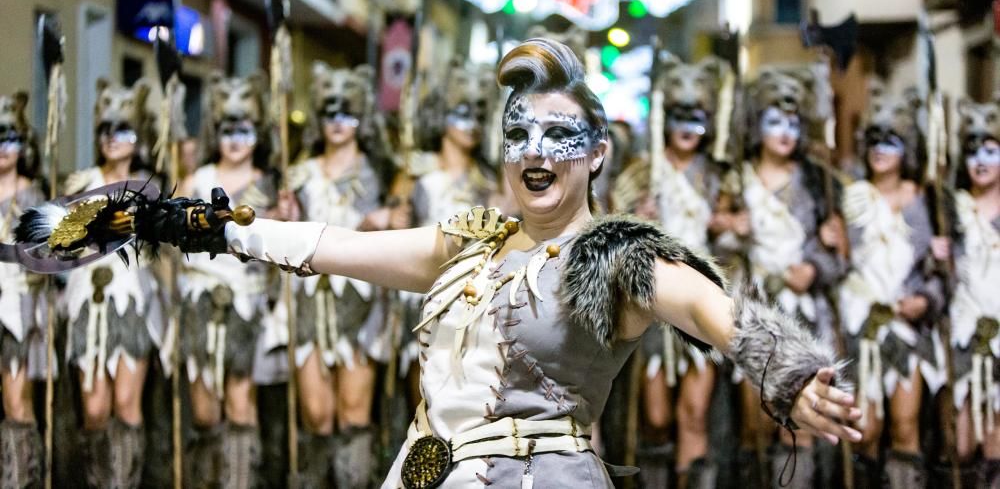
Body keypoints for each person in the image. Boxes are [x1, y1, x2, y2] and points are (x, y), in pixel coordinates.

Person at [149, 39, 861, 488]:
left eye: (560, 135)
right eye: (518, 132)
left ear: (597, 153)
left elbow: (706, 305)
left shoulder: (615, 255)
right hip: (426, 470)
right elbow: (334, 245)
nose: (535, 151)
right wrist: (217, 229)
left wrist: (784, 368)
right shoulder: (469, 240)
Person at [611, 54, 733, 488]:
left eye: (695, 116)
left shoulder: (721, 178)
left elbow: (744, 245)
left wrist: (731, 228)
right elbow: (607, 235)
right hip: (653, 307)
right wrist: (633, 217)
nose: (686, 126)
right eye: (678, 115)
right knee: (656, 416)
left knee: (694, 413)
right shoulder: (641, 173)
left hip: (702, 305)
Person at [281, 62, 396, 488]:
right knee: (317, 412)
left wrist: (390, 216)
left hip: (363, 300)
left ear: (361, 117)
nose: (337, 122)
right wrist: (284, 216)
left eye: (347, 112)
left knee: (352, 412)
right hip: (310, 299)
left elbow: (410, 221)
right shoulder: (299, 171)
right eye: (329, 113)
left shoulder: (385, 171)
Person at [733, 65, 847, 488]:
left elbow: (837, 259)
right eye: (775, 121)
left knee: (797, 420)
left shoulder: (819, 182)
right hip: (753, 312)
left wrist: (815, 265)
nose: (785, 132)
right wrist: (729, 228)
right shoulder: (735, 178)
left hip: (804, 316)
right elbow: (710, 245)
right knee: (754, 422)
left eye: (793, 123)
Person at [838, 81, 948, 488]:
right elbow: (834, 263)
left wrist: (925, 299)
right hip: (862, 325)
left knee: (905, 428)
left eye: (892, 141)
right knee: (865, 431)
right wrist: (831, 244)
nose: (881, 149)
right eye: (875, 140)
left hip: (908, 329)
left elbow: (942, 276)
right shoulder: (849, 196)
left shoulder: (926, 200)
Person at [173, 72, 278, 489]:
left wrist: (285, 212)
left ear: (257, 132)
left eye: (245, 128)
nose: (236, 138)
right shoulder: (197, 178)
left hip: (248, 303)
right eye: (228, 128)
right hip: (200, 299)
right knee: (203, 411)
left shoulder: (270, 185)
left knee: (239, 402)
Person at [63, 78, 164, 488]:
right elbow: (59, 244)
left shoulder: (152, 190)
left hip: (134, 303)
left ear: (138, 136)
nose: (113, 138)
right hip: (88, 303)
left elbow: (167, 245)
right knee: (95, 411)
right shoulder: (80, 184)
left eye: (123, 129)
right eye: (106, 130)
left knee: (126, 404)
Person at [393, 59, 502, 409]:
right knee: (422, 391)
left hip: (473, 294)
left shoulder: (490, 181)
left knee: (464, 391)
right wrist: (395, 216)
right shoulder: (415, 171)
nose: (469, 124)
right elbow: (394, 222)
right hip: (422, 289)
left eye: (476, 115)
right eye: (460, 113)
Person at [940, 98, 1000, 486]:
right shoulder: (950, 209)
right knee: (960, 444)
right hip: (961, 332)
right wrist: (938, 256)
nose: (980, 160)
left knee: (995, 443)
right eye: (973, 150)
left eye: (990, 151)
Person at [0, 93, 46, 487]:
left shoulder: (34, 195)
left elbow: (53, 253)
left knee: (17, 402)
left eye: (9, 138)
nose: (3, 149)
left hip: (19, 305)